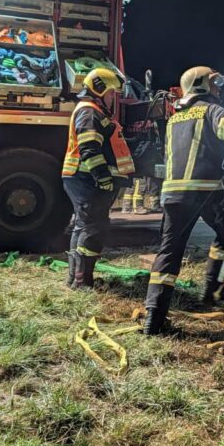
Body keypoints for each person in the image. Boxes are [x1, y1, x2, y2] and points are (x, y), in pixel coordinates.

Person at [142, 66, 224, 335]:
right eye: (215, 82)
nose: (219, 88)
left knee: (169, 251)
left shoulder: (175, 118)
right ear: (201, 85)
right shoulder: (211, 109)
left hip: (173, 194)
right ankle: (212, 288)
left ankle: (153, 317)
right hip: (206, 190)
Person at [61, 68, 135, 289]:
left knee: (83, 226)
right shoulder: (90, 112)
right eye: (112, 93)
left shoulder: (91, 111)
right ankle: (83, 282)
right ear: (100, 90)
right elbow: (89, 150)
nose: (114, 98)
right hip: (86, 180)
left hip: (81, 178)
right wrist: (103, 177)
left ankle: (75, 279)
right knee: (93, 229)